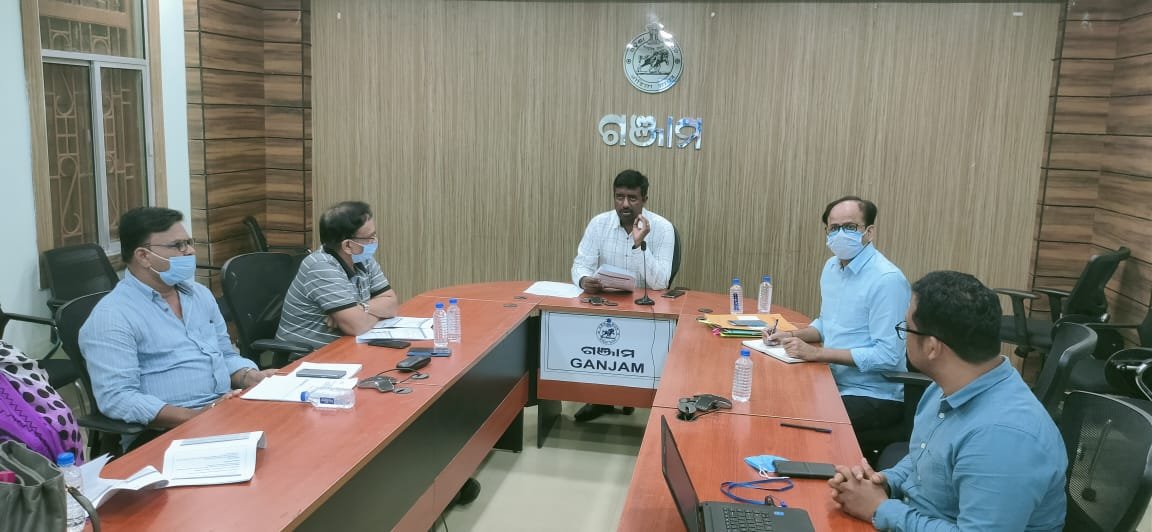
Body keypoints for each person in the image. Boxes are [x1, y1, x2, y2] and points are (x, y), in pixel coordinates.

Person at [828, 270, 1067, 530]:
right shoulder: (944, 387)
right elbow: (924, 461)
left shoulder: (1003, 437)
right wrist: (883, 483)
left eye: (906, 328)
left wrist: (880, 509)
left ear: (932, 347)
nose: (903, 337)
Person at [80, 207, 275, 449]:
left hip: (224, 411)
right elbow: (117, 398)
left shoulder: (199, 295)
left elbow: (225, 355)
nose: (190, 251)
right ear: (143, 256)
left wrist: (251, 376)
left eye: (189, 243)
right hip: (165, 433)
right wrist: (197, 416)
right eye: (178, 245)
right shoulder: (112, 316)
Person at [767, 196, 910, 456]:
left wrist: (817, 354)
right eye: (834, 228)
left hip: (872, 394)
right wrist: (789, 335)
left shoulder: (887, 280)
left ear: (869, 232)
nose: (841, 234)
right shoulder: (831, 268)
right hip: (831, 380)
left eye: (850, 227)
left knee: (798, 423)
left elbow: (888, 355)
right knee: (773, 398)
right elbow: (827, 323)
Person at [570, 169, 675, 422]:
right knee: (596, 347)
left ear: (644, 199)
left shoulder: (662, 228)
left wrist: (639, 244)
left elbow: (660, 283)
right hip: (605, 304)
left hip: (645, 310)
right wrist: (584, 279)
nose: (625, 204)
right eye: (619, 197)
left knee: (630, 355)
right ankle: (600, 399)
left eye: (632, 198)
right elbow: (581, 264)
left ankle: (630, 396)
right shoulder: (599, 224)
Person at [277, 201, 399, 350]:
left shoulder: (363, 258)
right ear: (347, 245)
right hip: (309, 355)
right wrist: (370, 313)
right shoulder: (320, 266)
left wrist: (360, 308)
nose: (374, 242)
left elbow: (392, 304)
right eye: (370, 237)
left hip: (347, 347)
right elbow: (358, 326)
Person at [0, 342, 84, 462]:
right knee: (31, 442)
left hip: (65, 461)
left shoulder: (11, 361)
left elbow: (62, 418)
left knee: (59, 422)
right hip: (23, 464)